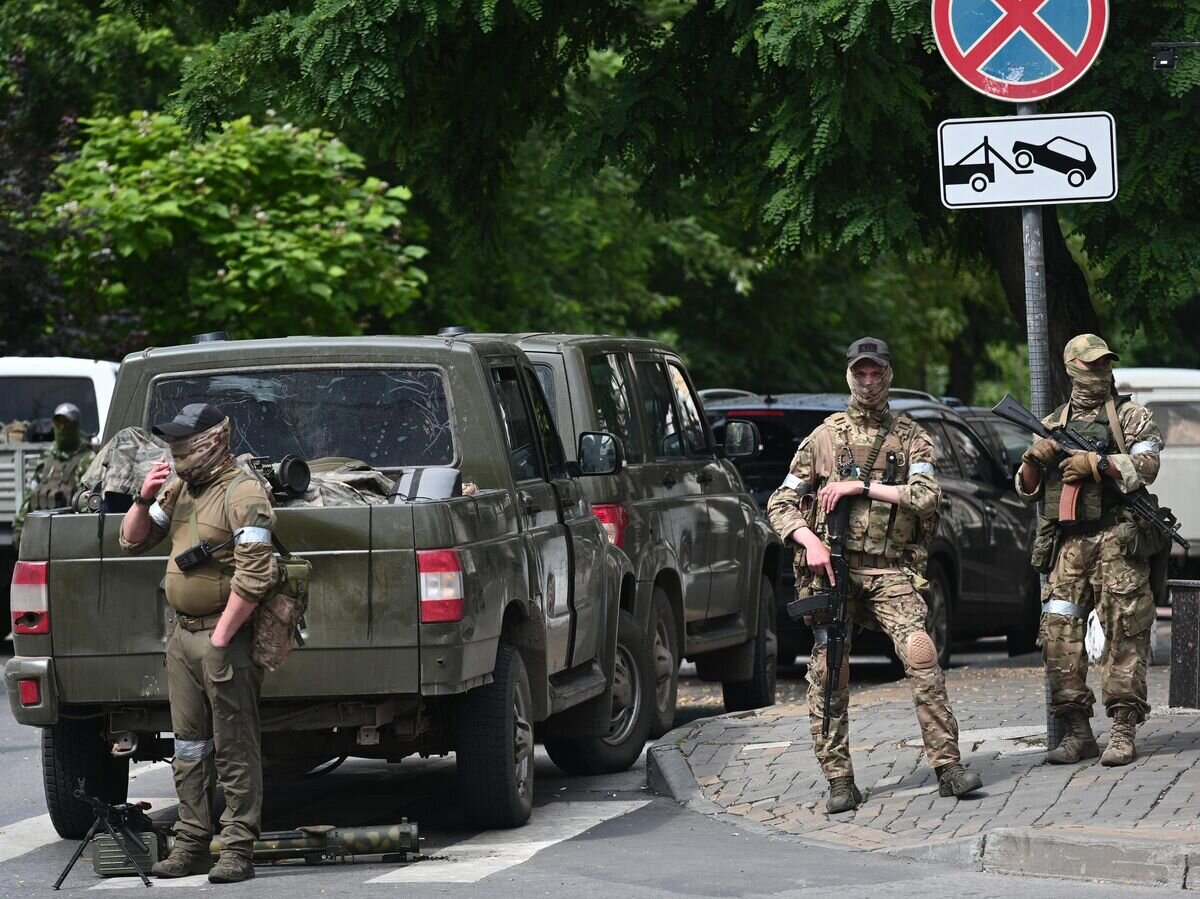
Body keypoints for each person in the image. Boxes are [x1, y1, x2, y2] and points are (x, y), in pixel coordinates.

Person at [767, 337, 982, 814]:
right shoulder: (823, 438)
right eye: (860, 372)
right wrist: (810, 540)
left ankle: (947, 766)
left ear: (888, 374)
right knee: (830, 670)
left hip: (888, 571)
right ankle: (839, 779)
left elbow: (926, 496)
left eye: (876, 372)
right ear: (849, 374)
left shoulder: (911, 436)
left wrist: (861, 486)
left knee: (921, 654)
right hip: (834, 575)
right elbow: (779, 503)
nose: (868, 381)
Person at [120, 403, 276, 883]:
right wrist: (144, 499)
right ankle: (190, 843)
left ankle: (236, 849)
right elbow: (131, 541)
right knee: (188, 747)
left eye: (187, 437)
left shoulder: (243, 492)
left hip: (221, 637)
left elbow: (255, 575)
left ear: (213, 438)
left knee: (234, 745)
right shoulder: (180, 486)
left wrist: (222, 638)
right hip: (182, 635)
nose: (178, 447)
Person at [1016, 334, 1163, 767]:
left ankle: (1122, 730)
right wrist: (1032, 459)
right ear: (1071, 368)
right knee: (1058, 635)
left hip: (1119, 538)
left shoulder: (1131, 417)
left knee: (1125, 633)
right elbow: (1026, 490)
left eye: (1105, 365)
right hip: (1069, 544)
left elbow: (1148, 466)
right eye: (1091, 365)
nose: (1100, 372)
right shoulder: (1051, 424)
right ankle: (1079, 732)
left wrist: (1099, 464)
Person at [13, 403, 94, 546]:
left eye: (67, 423)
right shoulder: (47, 457)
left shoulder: (87, 459)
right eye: (58, 422)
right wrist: (20, 526)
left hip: (69, 536)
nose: (62, 427)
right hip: (41, 535)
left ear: (75, 426)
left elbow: (89, 505)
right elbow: (31, 493)